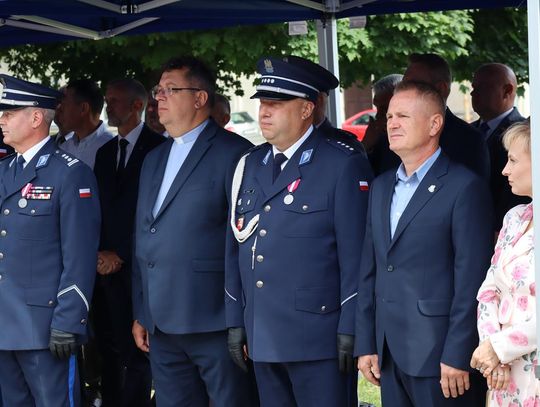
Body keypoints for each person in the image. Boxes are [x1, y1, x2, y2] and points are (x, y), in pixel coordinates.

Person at [225, 56, 373, 407]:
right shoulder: (250, 164)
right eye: (262, 103)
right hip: (263, 334)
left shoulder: (341, 163)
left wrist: (351, 327)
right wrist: (236, 320)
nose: (264, 112)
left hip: (318, 337)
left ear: (307, 109)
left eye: (276, 104)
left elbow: (357, 257)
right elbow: (235, 246)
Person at [355, 80, 493, 406]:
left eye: (403, 116)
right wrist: (367, 343)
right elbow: (370, 269)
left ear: (434, 124)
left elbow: (472, 278)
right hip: (389, 350)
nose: (392, 124)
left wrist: (458, 352)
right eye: (389, 117)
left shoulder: (464, 187)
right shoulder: (381, 187)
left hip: (440, 355)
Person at [131, 56, 255, 407]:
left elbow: (244, 243)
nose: (160, 97)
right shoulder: (154, 158)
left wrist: (240, 320)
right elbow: (143, 236)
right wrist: (141, 310)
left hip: (214, 318)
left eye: (171, 89)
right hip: (160, 322)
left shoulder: (236, 154)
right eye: (158, 90)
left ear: (200, 98)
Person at [0, 74, 100, 406]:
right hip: (5, 324)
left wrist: (69, 321)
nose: (2, 120)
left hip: (45, 327)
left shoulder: (70, 173)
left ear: (36, 117)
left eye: (10, 113)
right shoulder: (4, 170)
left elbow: (79, 255)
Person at [92, 78, 165, 406]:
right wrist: (100, 254)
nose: (108, 107)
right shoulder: (105, 152)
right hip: (105, 268)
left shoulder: (158, 148)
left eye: (115, 101)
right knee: (110, 346)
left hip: (141, 266)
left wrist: (121, 252)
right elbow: (99, 210)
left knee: (141, 353)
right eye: (107, 100)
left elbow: (154, 214)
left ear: (138, 105)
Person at [470, 120, 539, 406]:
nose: (504, 170)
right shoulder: (514, 218)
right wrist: (492, 352)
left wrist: (500, 348)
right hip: (504, 376)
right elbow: (489, 291)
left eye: (513, 160)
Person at [374, 53, 491, 179]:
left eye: (414, 85)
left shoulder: (469, 140)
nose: (405, 91)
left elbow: (471, 188)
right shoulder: (391, 136)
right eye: (403, 85)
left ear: (441, 88)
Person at [471, 63, 527, 231]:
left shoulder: (524, 134)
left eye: (482, 87)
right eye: (474, 87)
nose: (473, 93)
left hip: (502, 229)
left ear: (507, 91)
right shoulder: (465, 132)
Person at [57, 78, 114, 168]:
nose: (60, 110)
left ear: (83, 108)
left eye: (64, 105)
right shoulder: (64, 148)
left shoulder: (113, 149)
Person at [365, 74, 403, 174]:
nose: (378, 116)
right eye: (377, 108)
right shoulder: (381, 140)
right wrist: (366, 145)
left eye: (385, 109)